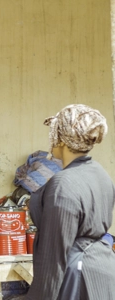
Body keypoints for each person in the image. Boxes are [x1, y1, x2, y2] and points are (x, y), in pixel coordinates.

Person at [26, 104, 115, 300]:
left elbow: (53, 256)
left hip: (78, 275)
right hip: (104, 268)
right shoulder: (101, 174)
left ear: (61, 140)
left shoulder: (63, 183)